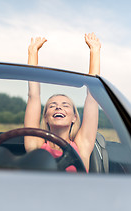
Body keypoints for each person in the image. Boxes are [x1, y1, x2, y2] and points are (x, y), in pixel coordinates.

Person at [24, 33, 101, 172]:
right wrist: (32, 52)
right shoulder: (35, 145)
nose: (58, 107)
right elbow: (33, 96)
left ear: (74, 117)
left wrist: (94, 51)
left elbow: (92, 97)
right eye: (52, 106)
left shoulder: (81, 145)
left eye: (65, 105)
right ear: (45, 117)